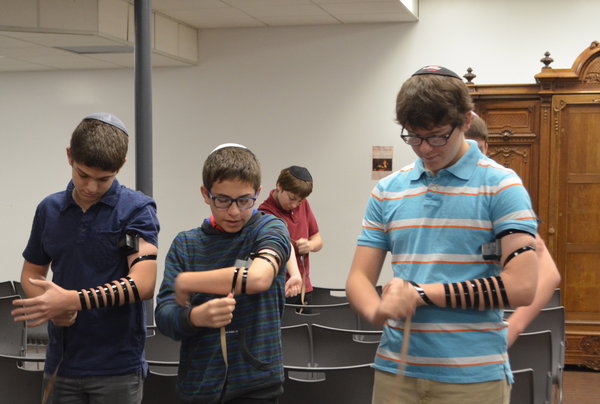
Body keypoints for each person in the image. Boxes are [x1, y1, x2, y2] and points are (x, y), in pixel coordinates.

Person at [346, 65, 539, 404]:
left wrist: (423, 293)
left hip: (472, 376)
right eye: (414, 137)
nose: (425, 149)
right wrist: (377, 310)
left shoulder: (502, 186)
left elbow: (522, 287)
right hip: (396, 370)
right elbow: (360, 277)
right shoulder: (388, 190)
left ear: (466, 121)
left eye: (437, 136)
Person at [11, 112, 160, 404]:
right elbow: (32, 273)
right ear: (70, 156)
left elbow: (143, 284)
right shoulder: (49, 209)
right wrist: (50, 306)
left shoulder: (137, 210)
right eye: (83, 175)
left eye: (104, 179)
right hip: (61, 363)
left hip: (117, 367)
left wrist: (73, 300)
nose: (91, 187)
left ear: (121, 167)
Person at [155, 144, 291, 404]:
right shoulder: (186, 244)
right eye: (222, 200)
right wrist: (195, 317)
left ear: (258, 193)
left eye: (244, 200)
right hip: (200, 384)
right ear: (205, 194)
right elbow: (164, 316)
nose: (234, 211)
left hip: (257, 385)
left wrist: (189, 281)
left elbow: (260, 276)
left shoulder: (270, 228)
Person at [464, 113, 561, 346]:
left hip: (488, 325)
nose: (468, 158)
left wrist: (514, 326)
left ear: (486, 148)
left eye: (475, 149)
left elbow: (549, 273)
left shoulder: (501, 193)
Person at [259, 166, 323, 305]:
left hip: (304, 288)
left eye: (300, 200)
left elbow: (318, 240)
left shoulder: (303, 204)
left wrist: (309, 245)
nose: (295, 205)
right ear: (279, 186)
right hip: (279, 291)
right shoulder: (265, 213)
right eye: (291, 198)